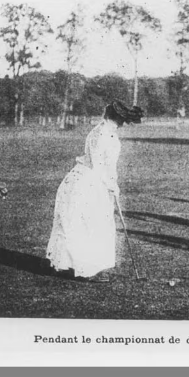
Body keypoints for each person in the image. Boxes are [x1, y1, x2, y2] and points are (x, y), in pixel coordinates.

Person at [46, 100, 143, 282]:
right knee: (89, 224)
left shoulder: (104, 131)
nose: (121, 124)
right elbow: (99, 166)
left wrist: (112, 183)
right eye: (121, 120)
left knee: (84, 223)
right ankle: (86, 269)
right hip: (88, 182)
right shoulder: (102, 134)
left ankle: (75, 266)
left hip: (89, 180)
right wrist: (112, 185)